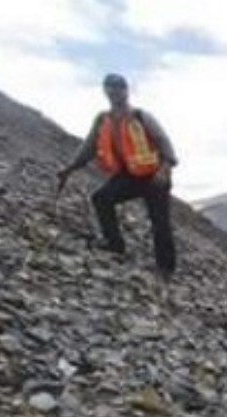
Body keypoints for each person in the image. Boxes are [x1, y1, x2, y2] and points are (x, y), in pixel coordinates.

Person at [57, 73, 178, 277]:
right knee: (101, 198)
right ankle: (115, 245)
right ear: (105, 92)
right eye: (109, 88)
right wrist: (69, 169)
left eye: (118, 88)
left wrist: (165, 169)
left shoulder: (140, 116)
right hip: (129, 175)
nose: (113, 92)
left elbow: (164, 142)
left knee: (159, 221)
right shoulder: (102, 120)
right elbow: (88, 148)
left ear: (126, 91)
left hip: (154, 175)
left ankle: (165, 267)